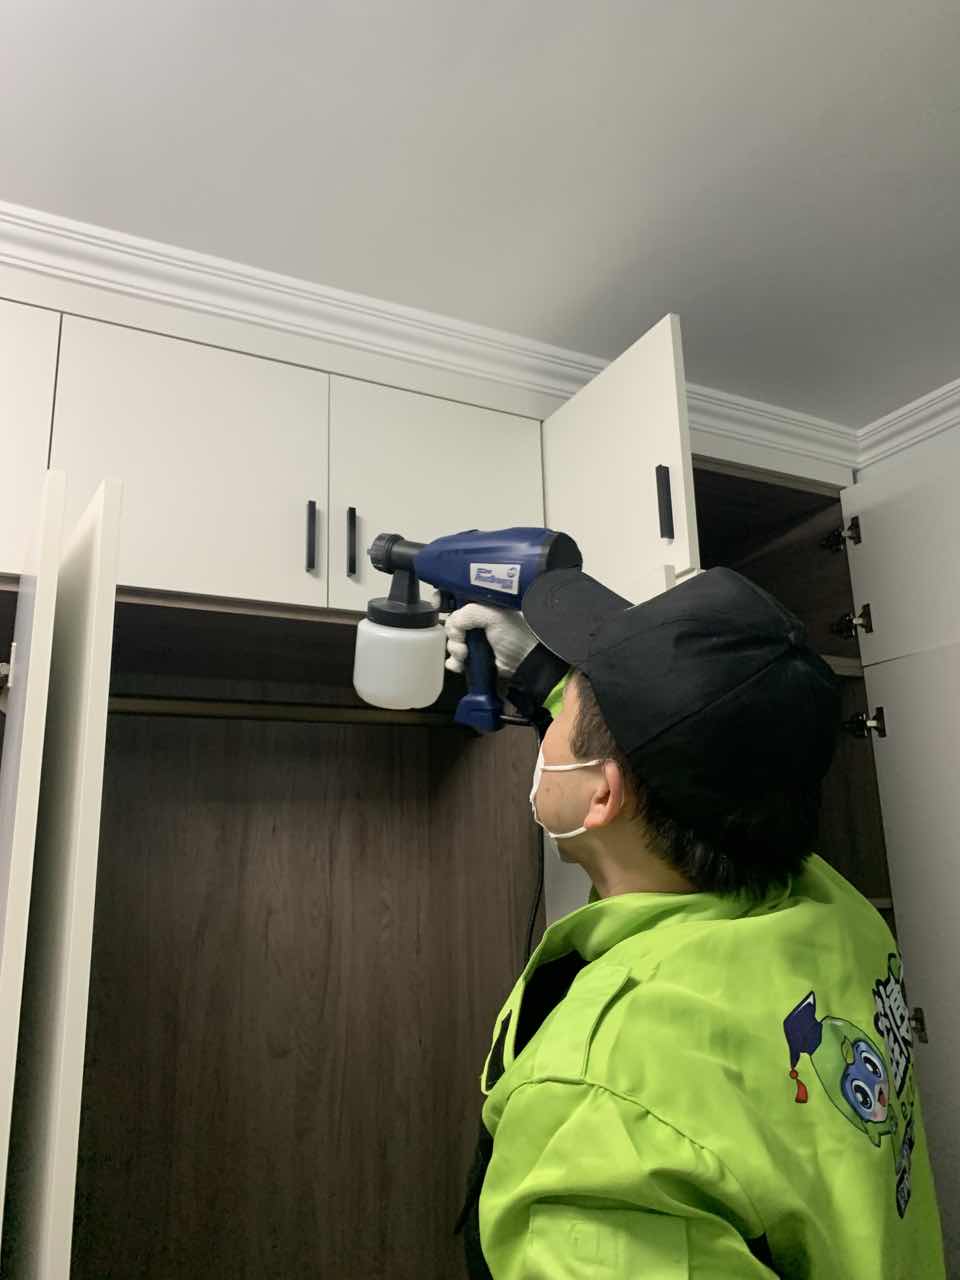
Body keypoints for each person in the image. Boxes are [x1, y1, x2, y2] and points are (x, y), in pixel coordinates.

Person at [443, 566, 944, 1279]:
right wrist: (546, 677)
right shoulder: (831, 907)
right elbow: (696, 746)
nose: (547, 735)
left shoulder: (600, 1125)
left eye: (564, 717)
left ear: (603, 795)